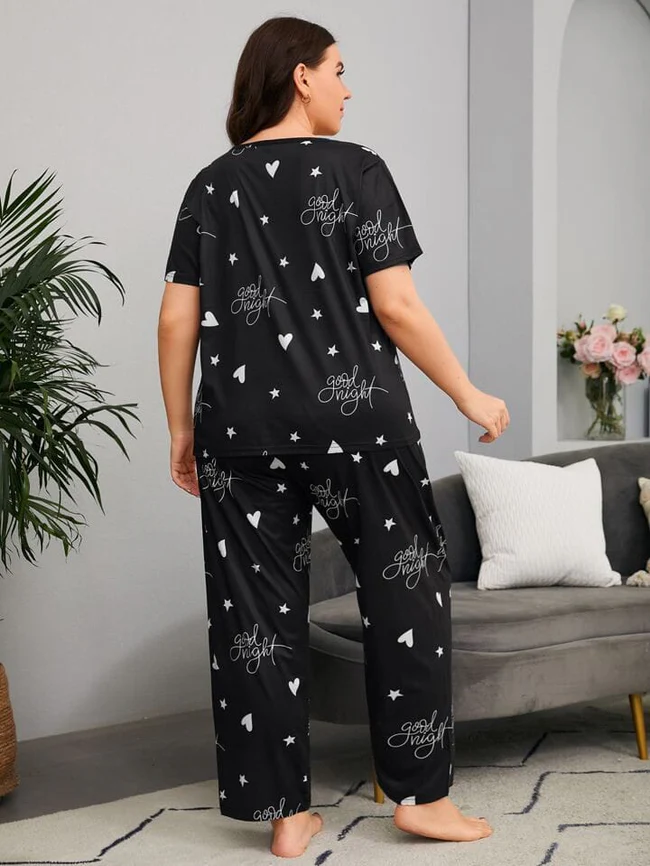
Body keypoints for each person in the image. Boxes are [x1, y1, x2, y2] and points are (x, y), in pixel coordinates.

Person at [158, 14, 508, 859]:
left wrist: (180, 429)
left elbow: (175, 320)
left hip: (239, 430)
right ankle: (422, 799)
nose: (349, 88)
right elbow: (397, 305)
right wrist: (467, 391)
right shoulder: (359, 170)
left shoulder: (210, 185)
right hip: (359, 426)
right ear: (302, 75)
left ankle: (287, 817)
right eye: (340, 69)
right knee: (406, 595)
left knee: (256, 614)